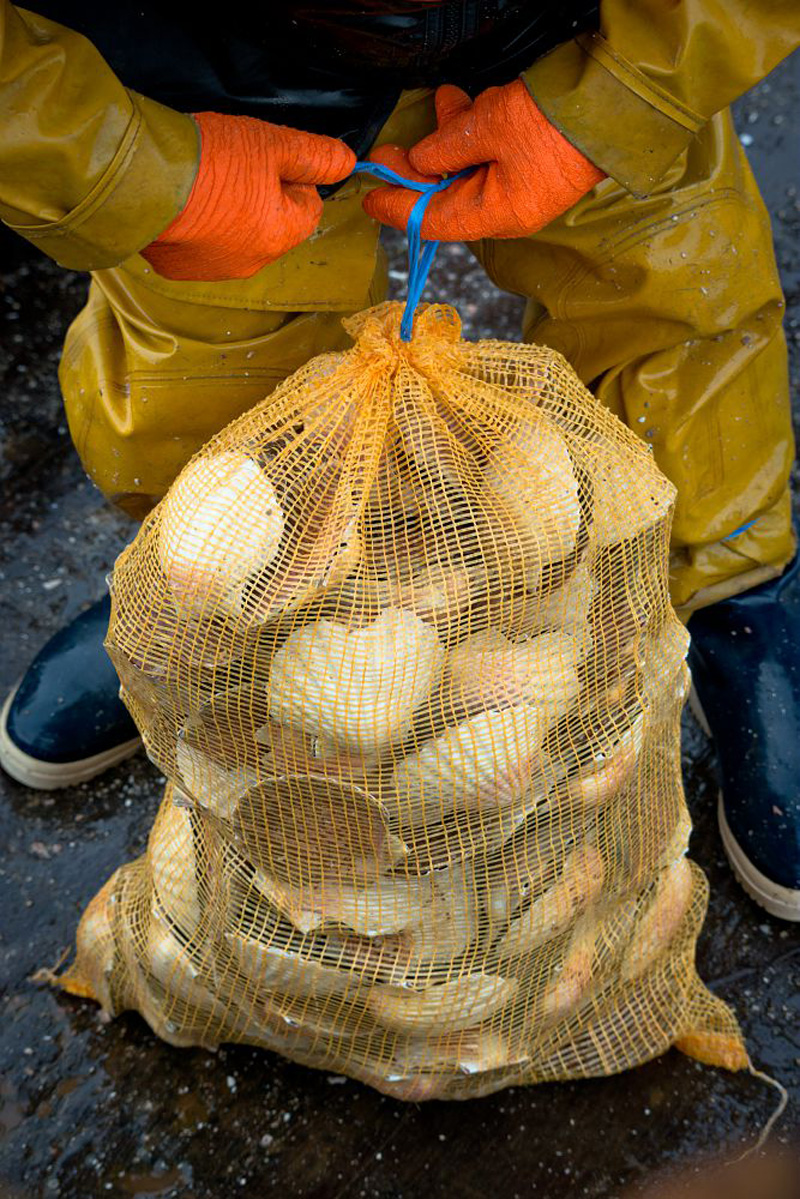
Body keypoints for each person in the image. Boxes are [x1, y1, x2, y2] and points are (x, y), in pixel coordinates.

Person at [0, 0, 798, 920]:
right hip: (194, 69)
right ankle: (200, 608)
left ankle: (728, 592)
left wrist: (632, 90)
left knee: (666, 289)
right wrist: (120, 167)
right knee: (211, 359)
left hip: (576, 23)